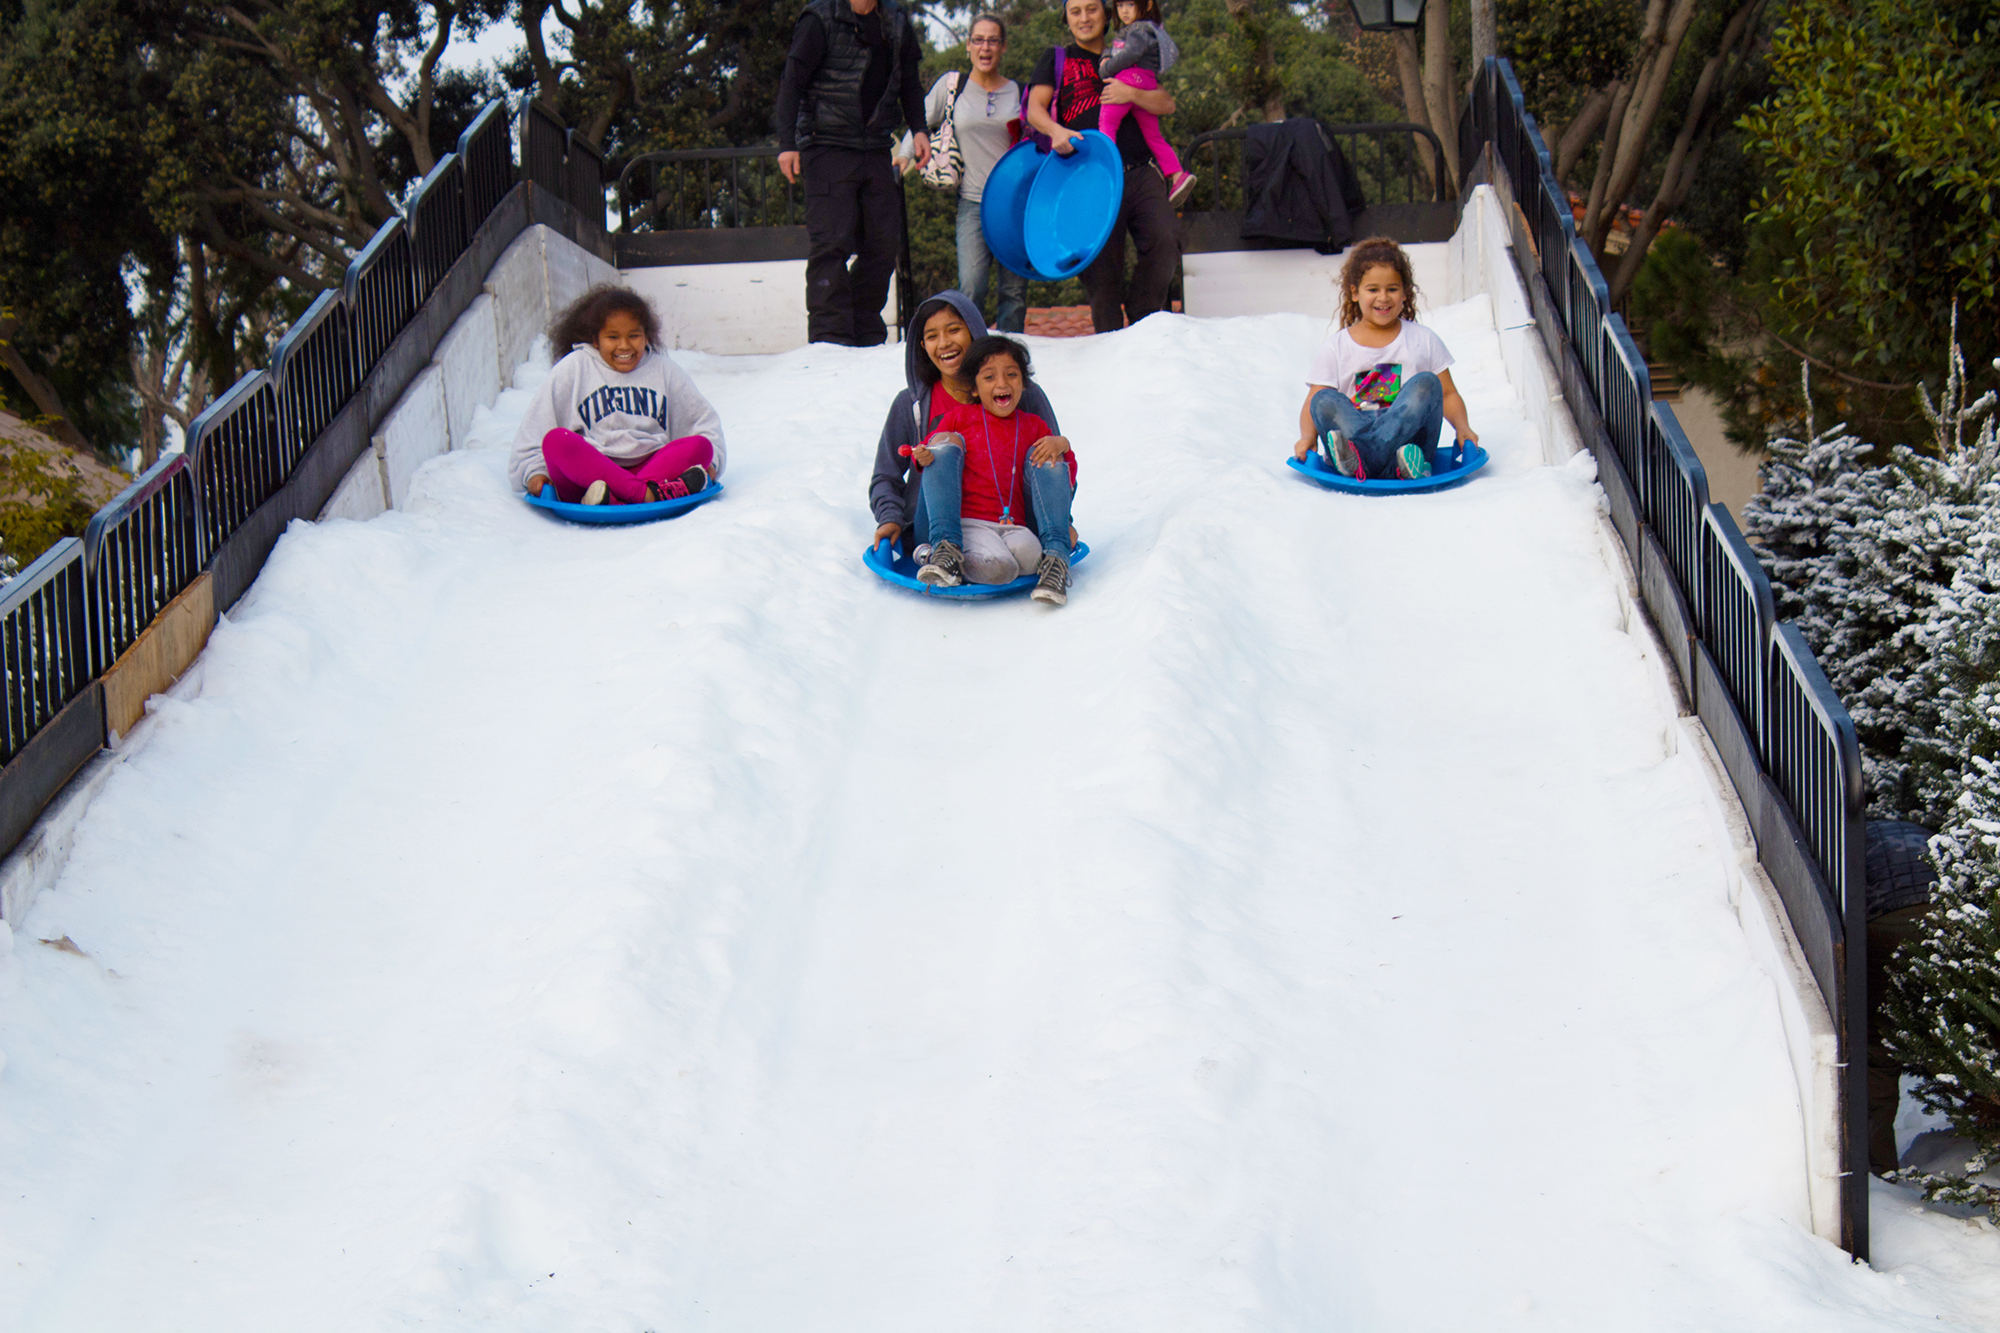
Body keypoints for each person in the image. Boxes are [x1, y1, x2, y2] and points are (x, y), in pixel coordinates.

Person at [869, 292, 1070, 572]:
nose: (944, 343)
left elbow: (1053, 465)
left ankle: (1027, 560)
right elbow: (885, 475)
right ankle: (948, 554)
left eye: (954, 330)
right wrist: (890, 518)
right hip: (935, 532)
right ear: (923, 346)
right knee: (944, 443)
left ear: (973, 330)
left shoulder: (1022, 394)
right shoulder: (912, 405)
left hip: (1014, 527)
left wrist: (1064, 523)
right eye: (931, 336)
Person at [773, 0, 930, 347]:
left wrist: (919, 129)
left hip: (875, 147)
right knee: (831, 244)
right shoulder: (820, 18)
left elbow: (909, 82)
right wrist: (787, 143)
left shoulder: (896, 20)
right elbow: (792, 81)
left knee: (882, 244)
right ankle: (830, 337)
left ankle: (867, 331)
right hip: (826, 144)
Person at [1024, 0, 1183, 336]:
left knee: (1166, 243)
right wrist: (1056, 131)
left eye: (1092, 9)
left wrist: (1131, 93)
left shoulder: (1131, 47)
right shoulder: (1057, 58)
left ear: (1106, 13)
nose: (1084, 18)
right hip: (1089, 181)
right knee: (1102, 279)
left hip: (1140, 171)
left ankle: (1143, 317)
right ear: (1066, 18)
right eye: (1075, 11)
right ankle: (1109, 346)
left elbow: (1166, 103)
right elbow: (1034, 109)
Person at [509, 286, 725, 504]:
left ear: (646, 337)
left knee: (702, 446)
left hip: (651, 467)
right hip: (592, 474)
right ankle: (648, 495)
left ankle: (613, 500)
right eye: (613, 337)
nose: (624, 346)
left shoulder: (664, 370)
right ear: (595, 339)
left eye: (634, 336)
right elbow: (534, 431)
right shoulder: (573, 367)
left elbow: (703, 422)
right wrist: (534, 471)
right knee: (556, 442)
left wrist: (712, 461)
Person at [1292, 236, 1478, 481]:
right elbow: (1312, 404)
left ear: (1404, 293)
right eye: (1373, 289)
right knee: (1323, 398)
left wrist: (1463, 428)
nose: (1383, 297)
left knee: (1428, 383)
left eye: (1392, 289)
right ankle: (1390, 466)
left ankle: (1378, 462)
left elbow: (1447, 394)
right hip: (1354, 435)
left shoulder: (1423, 339)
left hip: (1409, 443)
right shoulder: (1336, 347)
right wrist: (1307, 437)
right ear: (1354, 293)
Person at [910, 335, 1077, 603]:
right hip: (966, 525)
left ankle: (1055, 562)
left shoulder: (1034, 426)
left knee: (1030, 557)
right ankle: (944, 551)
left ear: (1023, 382)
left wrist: (1062, 444)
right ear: (974, 388)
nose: (1002, 383)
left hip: (1014, 527)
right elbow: (932, 464)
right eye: (989, 377)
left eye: (1012, 375)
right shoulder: (960, 418)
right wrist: (926, 453)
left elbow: (1062, 478)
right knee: (1001, 568)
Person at [926, 13, 1028, 333]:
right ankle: (972, 361)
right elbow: (919, 123)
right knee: (971, 289)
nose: (986, 47)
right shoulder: (951, 86)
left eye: (993, 40)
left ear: (1004, 47)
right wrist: (903, 157)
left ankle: (1011, 362)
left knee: (1014, 294)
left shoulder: (1019, 92)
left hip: (1014, 206)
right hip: (972, 203)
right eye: (979, 40)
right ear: (968, 46)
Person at [1099, 0, 1195, 207]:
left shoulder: (1139, 29)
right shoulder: (1150, 29)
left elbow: (1131, 54)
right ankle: (1178, 175)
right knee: (1153, 135)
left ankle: (1106, 172)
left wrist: (1106, 69)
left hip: (1130, 78)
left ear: (1148, 4)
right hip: (1147, 82)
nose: (1124, 11)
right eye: (1120, 5)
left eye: (1131, 4)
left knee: (1107, 122)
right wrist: (1107, 53)